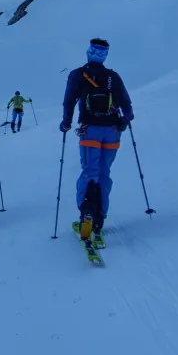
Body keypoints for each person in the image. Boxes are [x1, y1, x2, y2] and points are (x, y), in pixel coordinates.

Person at [59, 38, 133, 241]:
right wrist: (125, 120)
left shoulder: (78, 75)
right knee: (104, 172)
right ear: (105, 55)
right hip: (112, 131)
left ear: (88, 53)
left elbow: (69, 102)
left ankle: (86, 212)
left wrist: (66, 123)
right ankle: (100, 217)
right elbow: (127, 105)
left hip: (89, 130)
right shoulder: (113, 77)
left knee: (89, 171)